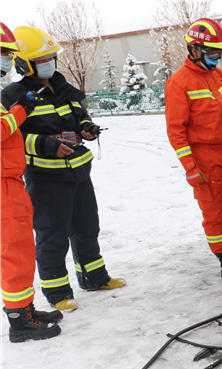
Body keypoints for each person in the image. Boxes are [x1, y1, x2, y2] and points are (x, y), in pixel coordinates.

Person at [1, 26, 125, 312]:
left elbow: (80, 117)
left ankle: (94, 277)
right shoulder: (13, 95)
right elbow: (11, 135)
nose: (49, 63)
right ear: (25, 64)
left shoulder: (66, 88)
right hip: (46, 177)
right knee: (52, 234)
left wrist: (87, 129)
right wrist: (47, 145)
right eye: (41, 59)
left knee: (86, 228)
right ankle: (57, 293)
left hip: (79, 172)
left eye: (51, 57)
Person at [164, 18, 222, 282]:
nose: (217, 58)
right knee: (213, 213)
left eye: (219, 53)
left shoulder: (221, 76)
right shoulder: (179, 83)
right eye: (212, 53)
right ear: (194, 50)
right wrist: (191, 168)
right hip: (205, 158)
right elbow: (176, 131)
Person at [1, 22, 63, 342]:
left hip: (10, 181)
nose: (4, 61)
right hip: (2, 185)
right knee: (15, 252)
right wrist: (20, 112)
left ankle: (23, 309)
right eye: (1, 54)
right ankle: (20, 322)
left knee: (21, 248)